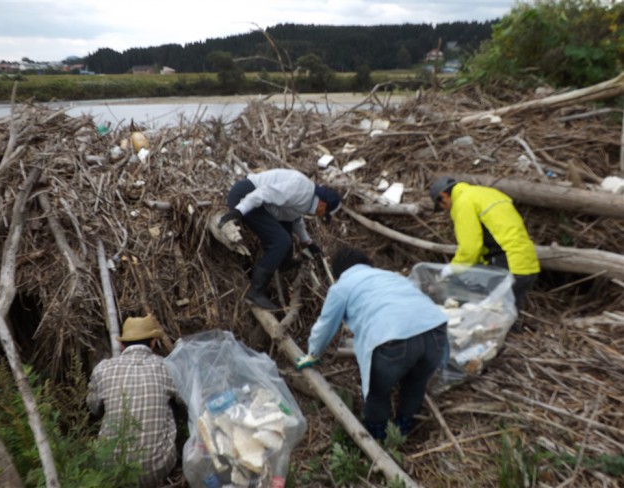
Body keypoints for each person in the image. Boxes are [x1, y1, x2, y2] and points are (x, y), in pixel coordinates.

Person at [295, 247, 448, 440]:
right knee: (415, 385)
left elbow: (326, 324)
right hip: (435, 330)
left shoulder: (343, 286)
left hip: (393, 338)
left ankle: (379, 439)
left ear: (339, 272)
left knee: (378, 393)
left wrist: (313, 353)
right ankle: (403, 430)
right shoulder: (393, 277)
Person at [218, 168, 341, 310]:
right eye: (324, 214)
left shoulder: (308, 198)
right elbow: (263, 192)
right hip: (246, 196)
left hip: (260, 203)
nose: (320, 216)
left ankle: (284, 262)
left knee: (286, 226)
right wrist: (240, 210)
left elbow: (294, 218)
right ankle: (256, 291)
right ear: (323, 204)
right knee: (281, 241)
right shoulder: (302, 189)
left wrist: (307, 242)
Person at [87, 315, 179, 487]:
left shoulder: (103, 369)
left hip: (109, 470)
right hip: (155, 469)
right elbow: (184, 400)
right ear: (152, 343)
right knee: (171, 402)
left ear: (122, 345)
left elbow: (93, 408)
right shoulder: (167, 367)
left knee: (104, 403)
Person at [429, 176, 540, 309]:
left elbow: (470, 248)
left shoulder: (463, 202)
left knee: (478, 310)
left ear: (444, 195)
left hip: (507, 265)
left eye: (442, 206)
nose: (445, 210)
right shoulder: (489, 193)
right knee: (507, 315)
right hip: (527, 263)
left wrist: (453, 268)